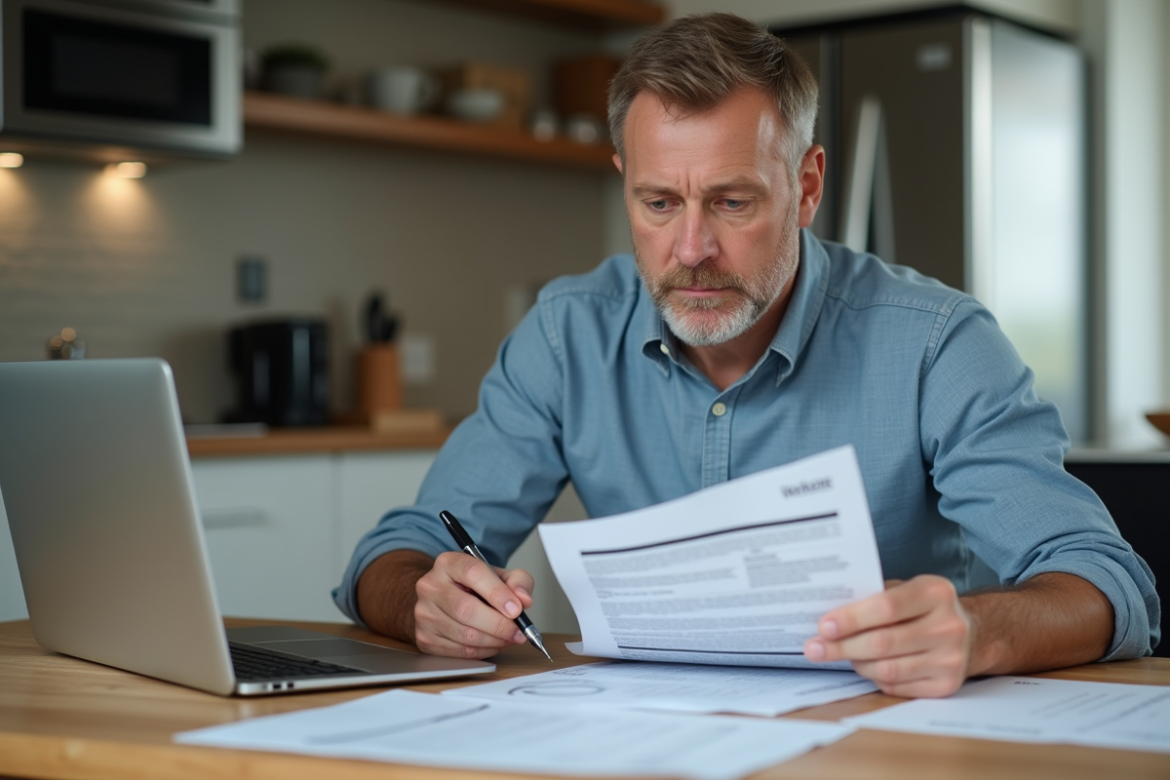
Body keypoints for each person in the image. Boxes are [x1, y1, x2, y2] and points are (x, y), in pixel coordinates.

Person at [335, 13, 1158, 698]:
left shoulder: (938, 343)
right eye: (659, 203)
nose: (691, 249)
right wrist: (425, 601)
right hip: (638, 739)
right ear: (624, 183)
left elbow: (1107, 584)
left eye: (732, 202)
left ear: (807, 188)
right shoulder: (566, 334)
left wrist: (979, 630)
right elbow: (394, 553)